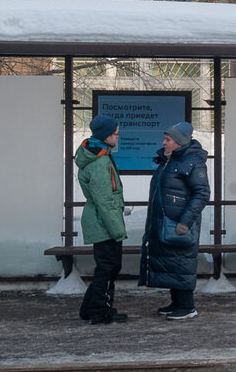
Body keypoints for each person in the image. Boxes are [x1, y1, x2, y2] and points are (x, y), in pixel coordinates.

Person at [142, 121, 210, 320]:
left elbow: (202, 193)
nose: (164, 143)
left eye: (168, 139)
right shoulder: (169, 160)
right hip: (166, 222)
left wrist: (185, 221)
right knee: (171, 262)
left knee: (181, 263)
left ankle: (187, 306)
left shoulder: (192, 161)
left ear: (179, 142)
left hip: (179, 223)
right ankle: (177, 302)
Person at [76, 114, 128, 324]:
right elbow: (105, 200)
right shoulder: (100, 162)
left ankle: (90, 308)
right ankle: (99, 311)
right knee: (109, 267)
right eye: (116, 132)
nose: (118, 135)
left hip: (100, 220)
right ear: (107, 136)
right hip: (104, 223)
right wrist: (117, 230)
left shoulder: (98, 154)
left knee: (105, 267)